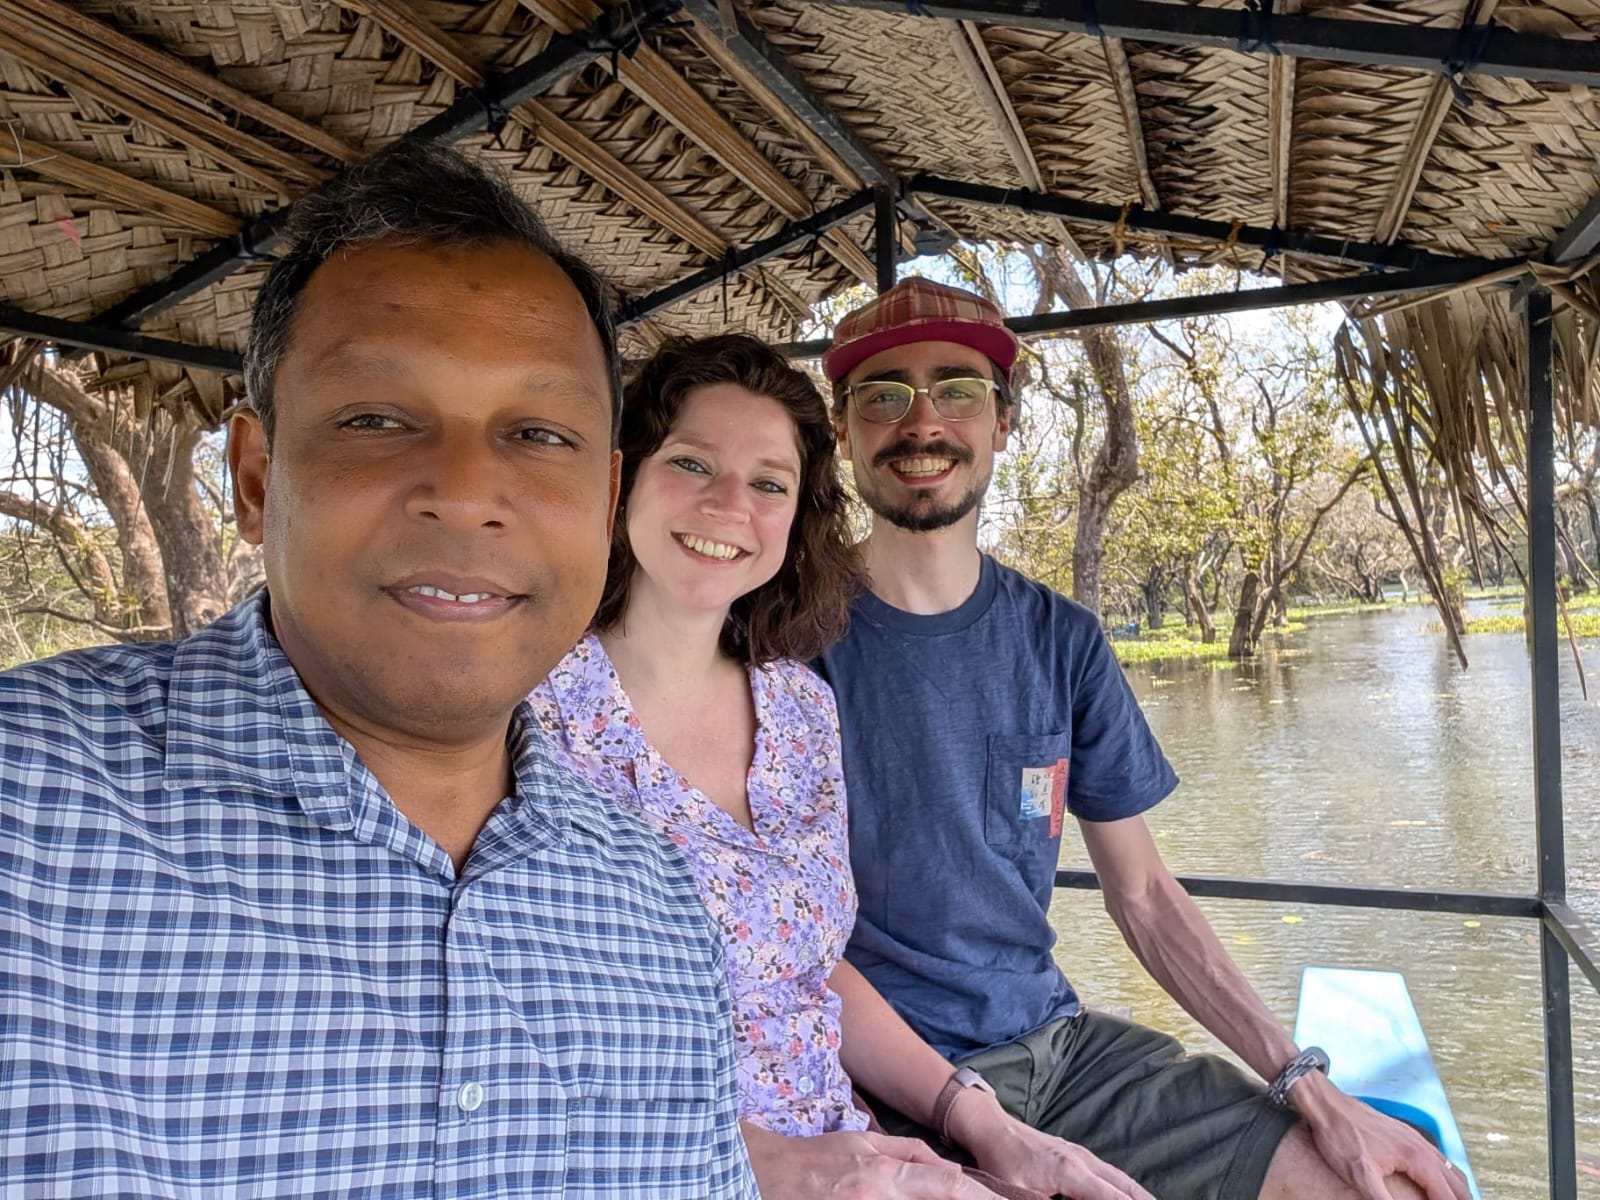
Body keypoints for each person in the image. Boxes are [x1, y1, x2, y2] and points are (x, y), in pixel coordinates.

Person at [0, 142, 756, 1198]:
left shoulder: (658, 906)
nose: (463, 490)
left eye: (538, 433)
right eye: (376, 420)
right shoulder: (24, 818)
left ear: (606, 497)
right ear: (258, 479)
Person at [815, 276, 1475, 1200]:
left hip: (1062, 1054)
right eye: (884, 394)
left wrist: (1309, 1087)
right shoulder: (786, 643)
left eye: (957, 389)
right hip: (873, 1083)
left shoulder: (1063, 640)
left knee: (1382, 1187)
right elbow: (767, 932)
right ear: (842, 428)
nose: (921, 423)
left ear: (1003, 421)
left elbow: (1145, 895)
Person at [532, 333, 1152, 1200]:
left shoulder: (798, 708)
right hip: (654, 1170)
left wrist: (985, 1125)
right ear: (621, 479)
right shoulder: (530, 708)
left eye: (768, 484)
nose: (728, 506)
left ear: (798, 515)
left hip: (852, 1145)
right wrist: (769, 1166)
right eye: (692, 464)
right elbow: (513, 1033)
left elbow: (812, 967)